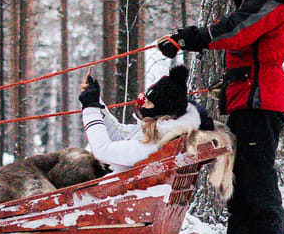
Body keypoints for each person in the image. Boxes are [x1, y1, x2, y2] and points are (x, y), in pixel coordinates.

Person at [157, 0, 284, 234]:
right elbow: (246, 47)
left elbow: (237, 31)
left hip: (261, 99)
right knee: (239, 174)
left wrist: (189, 38)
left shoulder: (269, 1)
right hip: (249, 97)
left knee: (256, 174)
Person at [76, 65, 210, 171]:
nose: (142, 105)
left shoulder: (153, 144)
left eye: (148, 102)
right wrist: (96, 103)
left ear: (162, 111)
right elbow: (116, 133)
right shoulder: (162, 132)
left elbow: (102, 151)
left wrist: (90, 108)